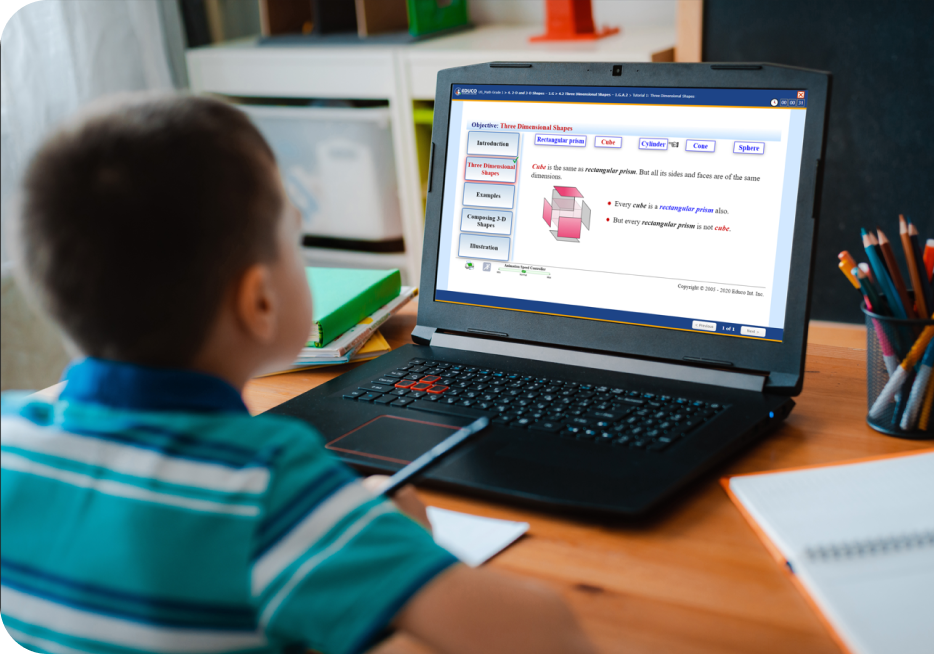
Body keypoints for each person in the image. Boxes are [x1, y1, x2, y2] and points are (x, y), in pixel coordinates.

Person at [0, 93, 596, 654]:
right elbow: (552, 635)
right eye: (294, 237)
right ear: (259, 301)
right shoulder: (269, 491)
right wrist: (404, 544)